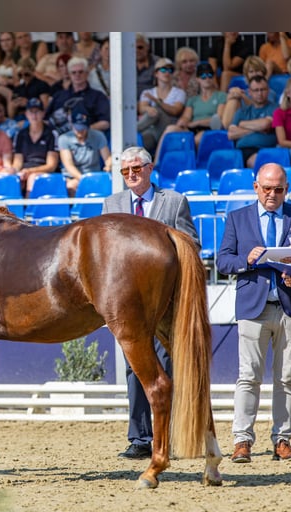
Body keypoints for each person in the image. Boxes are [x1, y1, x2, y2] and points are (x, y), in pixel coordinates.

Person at [101, 146, 199, 460]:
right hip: (128, 305)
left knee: (165, 365)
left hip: (165, 301)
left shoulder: (174, 201)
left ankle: (165, 434)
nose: (132, 175)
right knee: (134, 369)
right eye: (126, 171)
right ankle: (140, 437)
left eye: (137, 169)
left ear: (149, 168)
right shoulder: (112, 204)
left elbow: (191, 245)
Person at [216, 163, 291, 463]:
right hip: (252, 307)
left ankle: (282, 439)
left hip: (290, 306)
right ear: (255, 186)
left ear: (287, 188)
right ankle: (242, 440)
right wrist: (246, 261)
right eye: (267, 188)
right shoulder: (237, 218)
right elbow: (223, 261)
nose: (273, 194)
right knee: (248, 377)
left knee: (287, 377)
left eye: (279, 189)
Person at [159, 61, 225, 153]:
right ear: (198, 79)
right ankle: (157, 161)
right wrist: (182, 122)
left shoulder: (221, 96)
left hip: (210, 129)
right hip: (193, 129)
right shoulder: (193, 99)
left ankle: (190, 162)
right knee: (170, 129)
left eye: (210, 75)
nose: (207, 79)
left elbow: (218, 118)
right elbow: (186, 116)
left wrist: (197, 122)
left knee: (197, 139)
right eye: (203, 76)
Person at [45, 56, 111, 135]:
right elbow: (46, 121)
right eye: (74, 72)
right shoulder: (58, 96)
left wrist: (82, 132)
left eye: (80, 72)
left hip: (87, 139)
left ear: (87, 74)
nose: (77, 75)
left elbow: (105, 123)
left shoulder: (98, 96)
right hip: (60, 140)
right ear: (69, 75)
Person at [137, 57, 186, 156]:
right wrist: (148, 108)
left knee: (157, 111)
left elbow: (175, 111)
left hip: (168, 127)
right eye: (163, 70)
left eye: (170, 70)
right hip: (151, 130)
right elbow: (142, 108)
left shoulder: (179, 92)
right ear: (156, 73)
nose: (166, 73)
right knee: (141, 142)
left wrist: (157, 101)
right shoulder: (148, 92)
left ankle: (132, 129)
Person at [227, 75, 278, 168]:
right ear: (249, 92)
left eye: (263, 89)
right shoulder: (242, 111)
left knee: (254, 162)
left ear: (268, 90)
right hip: (241, 150)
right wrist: (257, 128)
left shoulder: (275, 109)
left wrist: (242, 124)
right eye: (256, 90)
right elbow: (231, 134)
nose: (259, 93)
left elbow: (266, 124)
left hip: (265, 151)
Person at [12, 97, 59, 196]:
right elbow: (17, 162)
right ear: (26, 114)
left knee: (33, 178)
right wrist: (16, 172)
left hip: (43, 172)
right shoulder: (20, 134)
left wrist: (30, 171)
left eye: (37, 111)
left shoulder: (51, 134)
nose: (34, 115)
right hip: (25, 171)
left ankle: (29, 210)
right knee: (10, 178)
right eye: (31, 112)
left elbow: (51, 166)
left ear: (43, 113)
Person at [58, 110, 111, 195]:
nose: (80, 131)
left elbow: (107, 158)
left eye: (83, 128)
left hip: (94, 176)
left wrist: (109, 166)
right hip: (72, 177)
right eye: (77, 128)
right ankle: (76, 208)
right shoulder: (64, 139)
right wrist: (84, 180)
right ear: (71, 125)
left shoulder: (98, 136)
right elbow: (69, 166)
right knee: (71, 186)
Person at [220, 55, 271, 129]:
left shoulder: (266, 90)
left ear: (263, 72)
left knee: (236, 97)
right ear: (247, 75)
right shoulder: (245, 91)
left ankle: (222, 127)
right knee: (233, 98)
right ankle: (222, 125)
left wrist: (242, 96)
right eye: (251, 72)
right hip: (239, 119)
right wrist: (231, 96)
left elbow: (259, 106)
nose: (254, 74)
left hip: (255, 119)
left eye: (257, 71)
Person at [9, 57, 51, 122]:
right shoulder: (18, 88)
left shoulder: (41, 85)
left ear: (33, 72)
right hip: (18, 117)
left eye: (26, 74)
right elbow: (10, 115)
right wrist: (14, 106)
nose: (23, 77)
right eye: (20, 75)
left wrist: (28, 103)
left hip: (34, 118)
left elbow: (45, 107)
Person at [135, 34, 161, 98]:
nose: (136, 50)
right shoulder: (124, 64)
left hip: (151, 102)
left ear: (148, 47)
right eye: (133, 47)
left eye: (140, 47)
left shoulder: (158, 63)